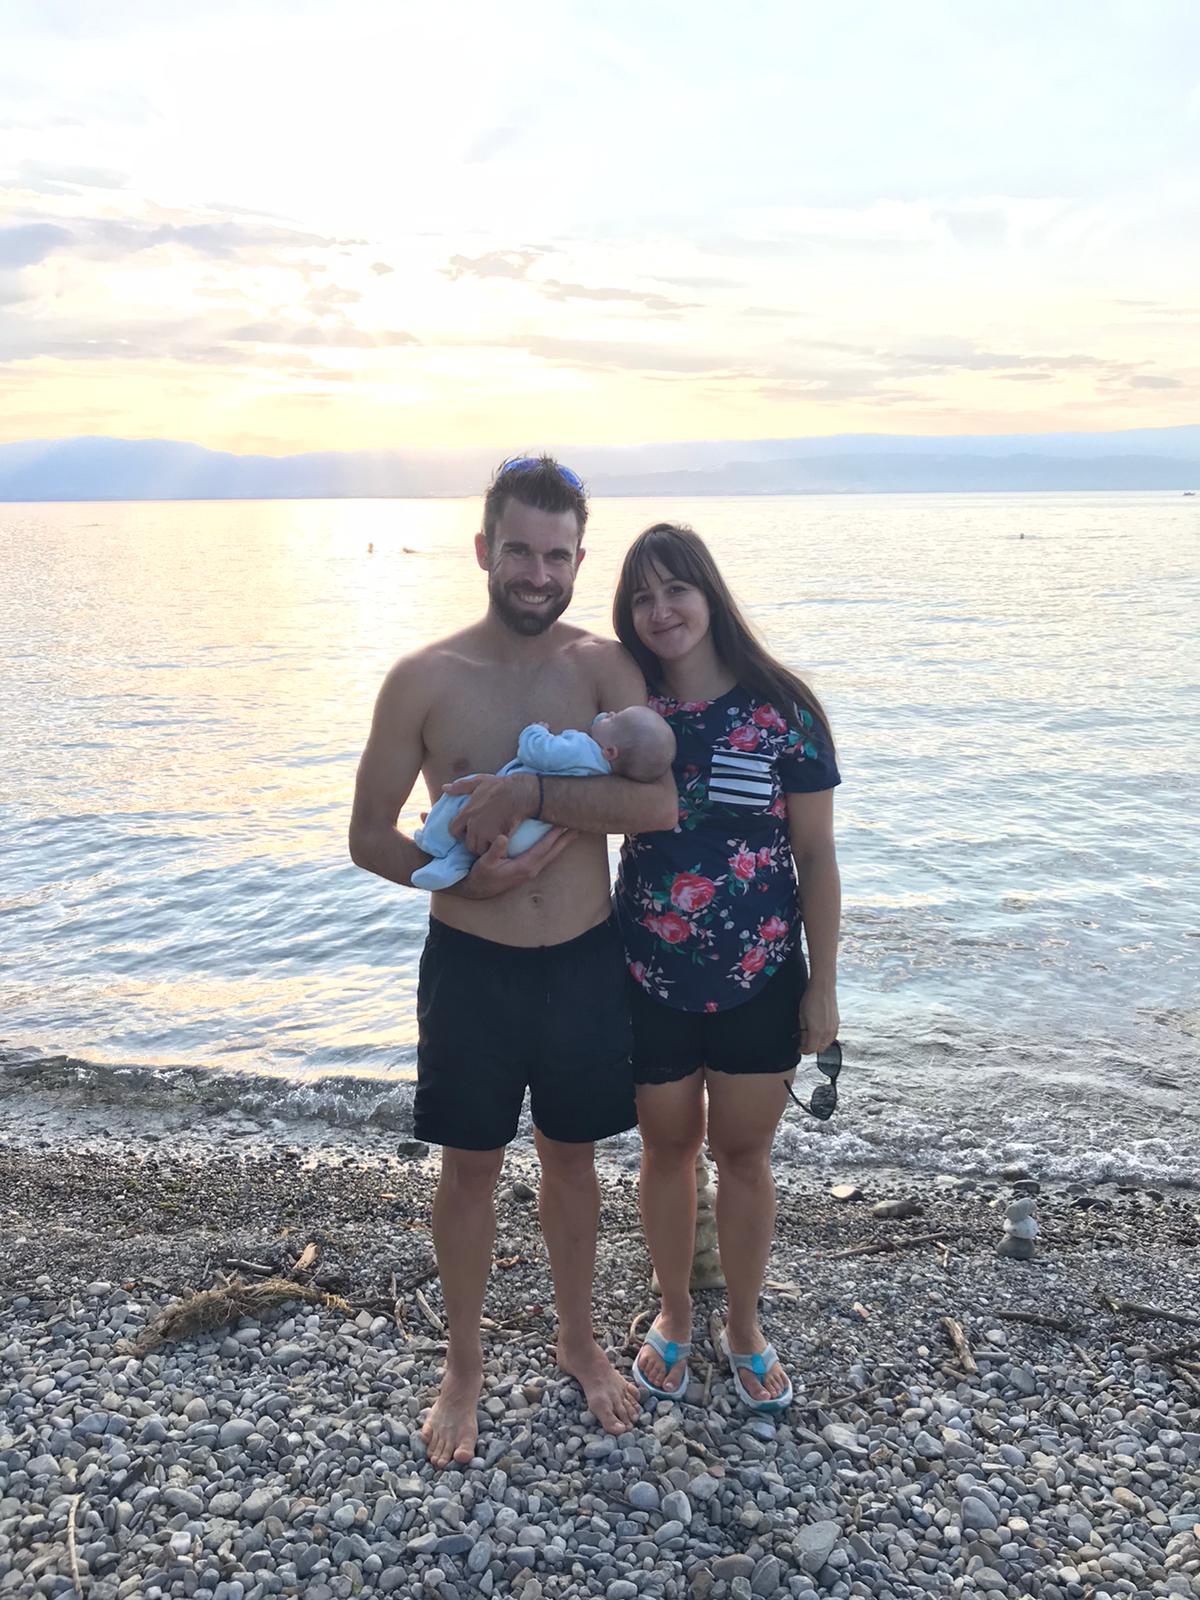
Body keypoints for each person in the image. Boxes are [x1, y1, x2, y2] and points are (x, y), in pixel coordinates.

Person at [348, 457, 678, 1468]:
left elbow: (656, 803)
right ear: (485, 549)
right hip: (472, 963)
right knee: (470, 1168)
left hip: (581, 959)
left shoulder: (603, 671)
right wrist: (457, 883)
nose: (539, 573)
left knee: (573, 1159)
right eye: (521, 551)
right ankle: (463, 1367)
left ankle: (578, 1339)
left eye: (558, 555)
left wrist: (530, 792)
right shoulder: (423, 679)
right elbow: (368, 835)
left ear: (579, 559)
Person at [611, 521, 842, 1414]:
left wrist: (823, 985)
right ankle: (675, 1312)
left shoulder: (784, 709)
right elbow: (568, 800)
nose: (661, 610)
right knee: (666, 1151)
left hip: (761, 974)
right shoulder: (625, 711)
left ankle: (743, 1325)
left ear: (709, 594)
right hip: (648, 977)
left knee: (744, 1156)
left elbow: (815, 856)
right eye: (642, 596)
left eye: (676, 589)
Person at [411, 706, 675, 891]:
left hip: (511, 821)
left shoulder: (582, 748)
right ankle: (452, 867)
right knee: (473, 849)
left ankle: (433, 841)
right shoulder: (604, 776)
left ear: (610, 751)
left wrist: (535, 731)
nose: (610, 714)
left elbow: (536, 751)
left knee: (462, 795)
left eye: (614, 718)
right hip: (530, 838)